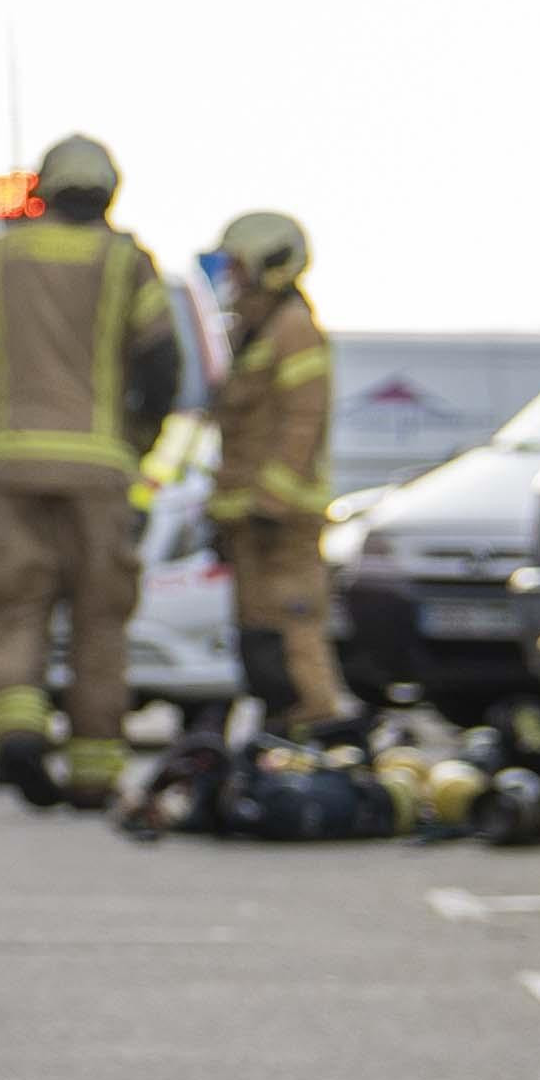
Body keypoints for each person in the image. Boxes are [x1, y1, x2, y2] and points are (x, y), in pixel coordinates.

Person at [0, 135, 193, 811]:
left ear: (44, 188)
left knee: (14, 609)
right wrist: (137, 440)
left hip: (9, 465)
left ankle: (19, 731)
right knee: (98, 619)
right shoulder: (125, 262)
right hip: (99, 469)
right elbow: (159, 364)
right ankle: (92, 774)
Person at [206, 204, 345, 739]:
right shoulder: (255, 332)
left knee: (292, 633)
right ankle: (281, 733)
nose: (231, 280)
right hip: (250, 520)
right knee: (258, 637)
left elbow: (302, 423)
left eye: (238, 267)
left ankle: (318, 732)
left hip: (281, 522)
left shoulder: (294, 331)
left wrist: (271, 503)